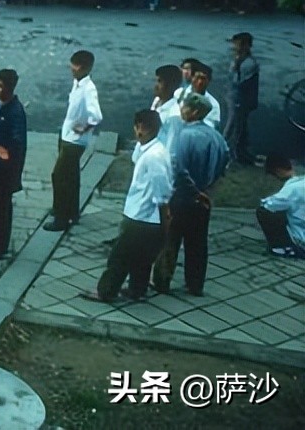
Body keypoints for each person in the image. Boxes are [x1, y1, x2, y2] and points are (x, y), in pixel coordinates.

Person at [83, 110, 173, 302]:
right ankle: (137, 289)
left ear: (142, 128)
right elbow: (136, 158)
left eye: (136, 127)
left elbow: (162, 190)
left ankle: (106, 291)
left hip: (141, 215)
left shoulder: (154, 157)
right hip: (144, 215)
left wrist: (165, 216)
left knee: (120, 256)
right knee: (141, 257)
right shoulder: (152, 149)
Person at [152, 95, 230, 297]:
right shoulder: (216, 137)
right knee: (197, 242)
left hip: (182, 196)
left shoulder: (184, 136)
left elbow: (178, 168)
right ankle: (195, 284)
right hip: (205, 198)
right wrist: (209, 189)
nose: (182, 111)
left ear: (194, 111)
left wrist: (194, 191)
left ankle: (162, 280)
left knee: (170, 238)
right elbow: (226, 161)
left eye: (184, 107)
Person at [45, 50, 101, 232]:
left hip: (75, 141)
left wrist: (84, 128)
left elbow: (96, 115)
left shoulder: (88, 88)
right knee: (71, 176)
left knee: (59, 176)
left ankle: (61, 218)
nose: (73, 69)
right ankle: (71, 211)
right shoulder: (76, 84)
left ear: (86, 68)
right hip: (67, 135)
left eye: (77, 66)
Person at [0, 69, 27, 261]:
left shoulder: (14, 112)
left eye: (2, 87)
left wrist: (3, 153)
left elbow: (16, 143)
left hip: (4, 172)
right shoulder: (3, 106)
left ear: (11, 88)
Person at [226, 32, 260, 166]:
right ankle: (236, 154)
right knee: (237, 128)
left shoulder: (249, 63)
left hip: (240, 102)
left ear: (246, 46)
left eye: (238, 44)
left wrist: (235, 67)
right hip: (235, 100)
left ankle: (235, 154)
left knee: (235, 129)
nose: (234, 47)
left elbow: (239, 83)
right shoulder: (239, 60)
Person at [257, 160, 305, 258]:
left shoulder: (292, 189)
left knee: (263, 211)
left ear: (278, 172)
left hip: (301, 238)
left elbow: (269, 205)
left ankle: (284, 248)